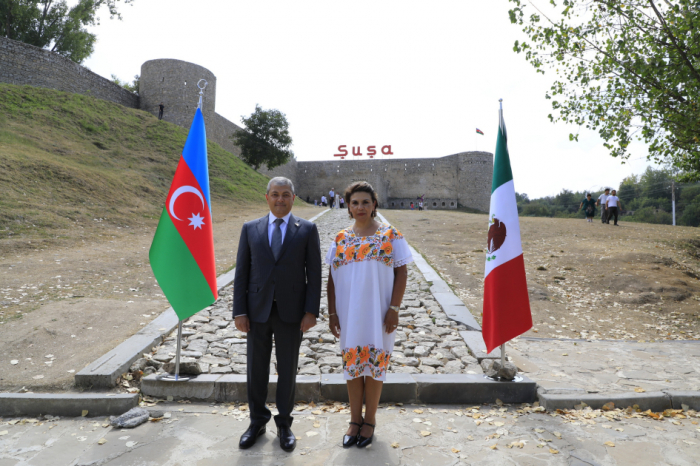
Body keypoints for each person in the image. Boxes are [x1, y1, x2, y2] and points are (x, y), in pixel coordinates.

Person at [233, 176, 322, 452]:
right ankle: (257, 421)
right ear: (267, 197)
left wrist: (310, 311)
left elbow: (314, 274)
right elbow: (242, 273)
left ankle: (284, 424)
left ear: (293, 198)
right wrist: (240, 311)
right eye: (275, 194)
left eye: (285, 194)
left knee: (287, 370)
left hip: (291, 313)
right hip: (257, 311)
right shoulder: (250, 229)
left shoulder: (306, 229)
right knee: (256, 371)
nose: (280, 199)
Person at [326, 181, 412, 448]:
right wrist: (332, 313)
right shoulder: (341, 238)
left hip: (380, 314)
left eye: (365, 202)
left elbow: (401, 273)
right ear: (348, 206)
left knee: (374, 367)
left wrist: (394, 310)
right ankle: (354, 420)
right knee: (353, 367)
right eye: (355, 202)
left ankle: (370, 420)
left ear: (374, 204)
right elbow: (331, 277)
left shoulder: (390, 236)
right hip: (349, 314)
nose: (360, 207)